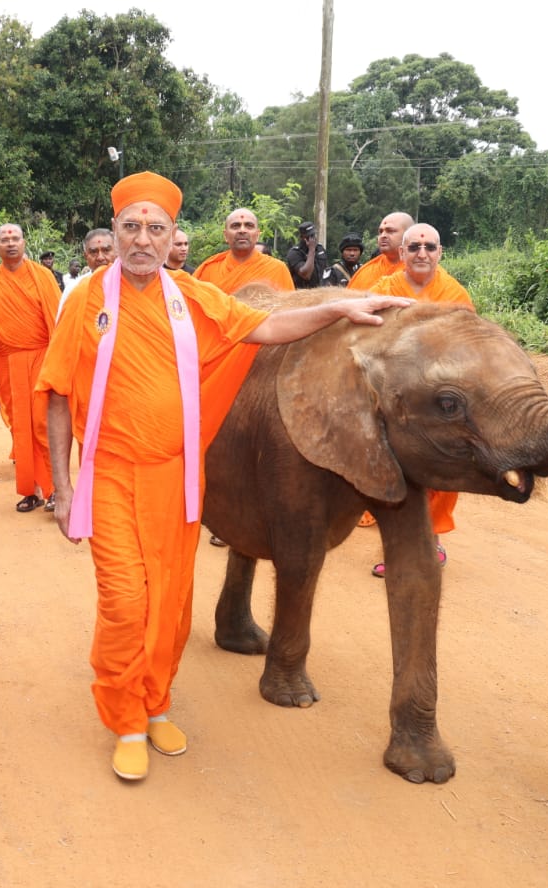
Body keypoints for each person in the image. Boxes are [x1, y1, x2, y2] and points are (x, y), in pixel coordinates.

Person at [39, 171, 405, 782]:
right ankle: (125, 717)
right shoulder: (84, 300)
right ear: (115, 233)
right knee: (127, 603)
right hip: (108, 477)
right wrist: (62, 485)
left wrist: (339, 305)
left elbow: (264, 327)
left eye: (156, 229)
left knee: (173, 605)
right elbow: (54, 393)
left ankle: (157, 704)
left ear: (172, 236)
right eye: (131, 227)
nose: (142, 240)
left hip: (177, 479)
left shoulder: (192, 297)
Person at [368, 223, 473, 577]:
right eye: (414, 247)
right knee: (393, 469)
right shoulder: (383, 290)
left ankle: (431, 539)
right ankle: (398, 546)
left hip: (440, 398)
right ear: (401, 254)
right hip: (393, 395)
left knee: (440, 468)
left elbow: (469, 349)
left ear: (440, 252)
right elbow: (369, 340)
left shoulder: (455, 294)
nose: (422, 253)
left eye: (429, 247)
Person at [0, 223, 59, 512]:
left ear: (24, 243)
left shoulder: (43, 276)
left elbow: (57, 321)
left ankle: (55, 488)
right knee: (21, 427)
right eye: (4, 239)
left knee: (44, 424)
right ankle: (31, 490)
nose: (10, 243)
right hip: (10, 363)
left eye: (15, 238)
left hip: (43, 357)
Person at [193, 209, 295, 292]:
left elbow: (288, 311)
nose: (242, 230)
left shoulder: (277, 269)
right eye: (235, 226)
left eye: (249, 226)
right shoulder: (209, 271)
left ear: (257, 234)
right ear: (226, 235)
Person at [347, 212, 413, 291]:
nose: (383, 236)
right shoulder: (366, 272)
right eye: (381, 231)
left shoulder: (422, 270)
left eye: (390, 231)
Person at [61, 228, 116, 309]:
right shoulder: (74, 289)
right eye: (94, 252)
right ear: (86, 256)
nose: (100, 258)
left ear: (117, 252)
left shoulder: (131, 284)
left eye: (106, 250)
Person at [285, 220, 328, 289]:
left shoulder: (320, 249)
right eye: (309, 236)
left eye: (314, 235)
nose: (312, 239)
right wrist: (311, 250)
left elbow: (325, 271)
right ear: (302, 237)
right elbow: (306, 275)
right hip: (302, 293)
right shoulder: (295, 253)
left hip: (320, 291)